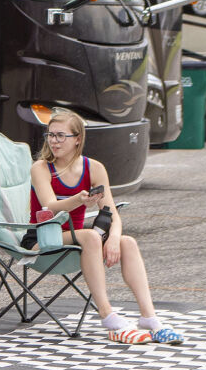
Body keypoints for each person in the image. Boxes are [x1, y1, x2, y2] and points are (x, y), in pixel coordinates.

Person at [30, 109, 184, 345]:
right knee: (92, 237)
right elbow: (50, 207)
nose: (54, 141)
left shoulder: (94, 168)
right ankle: (107, 315)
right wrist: (79, 201)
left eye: (61, 136)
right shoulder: (41, 168)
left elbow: (110, 211)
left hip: (77, 238)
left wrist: (113, 238)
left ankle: (149, 318)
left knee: (127, 242)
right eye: (50, 135)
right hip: (42, 238)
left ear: (78, 139)